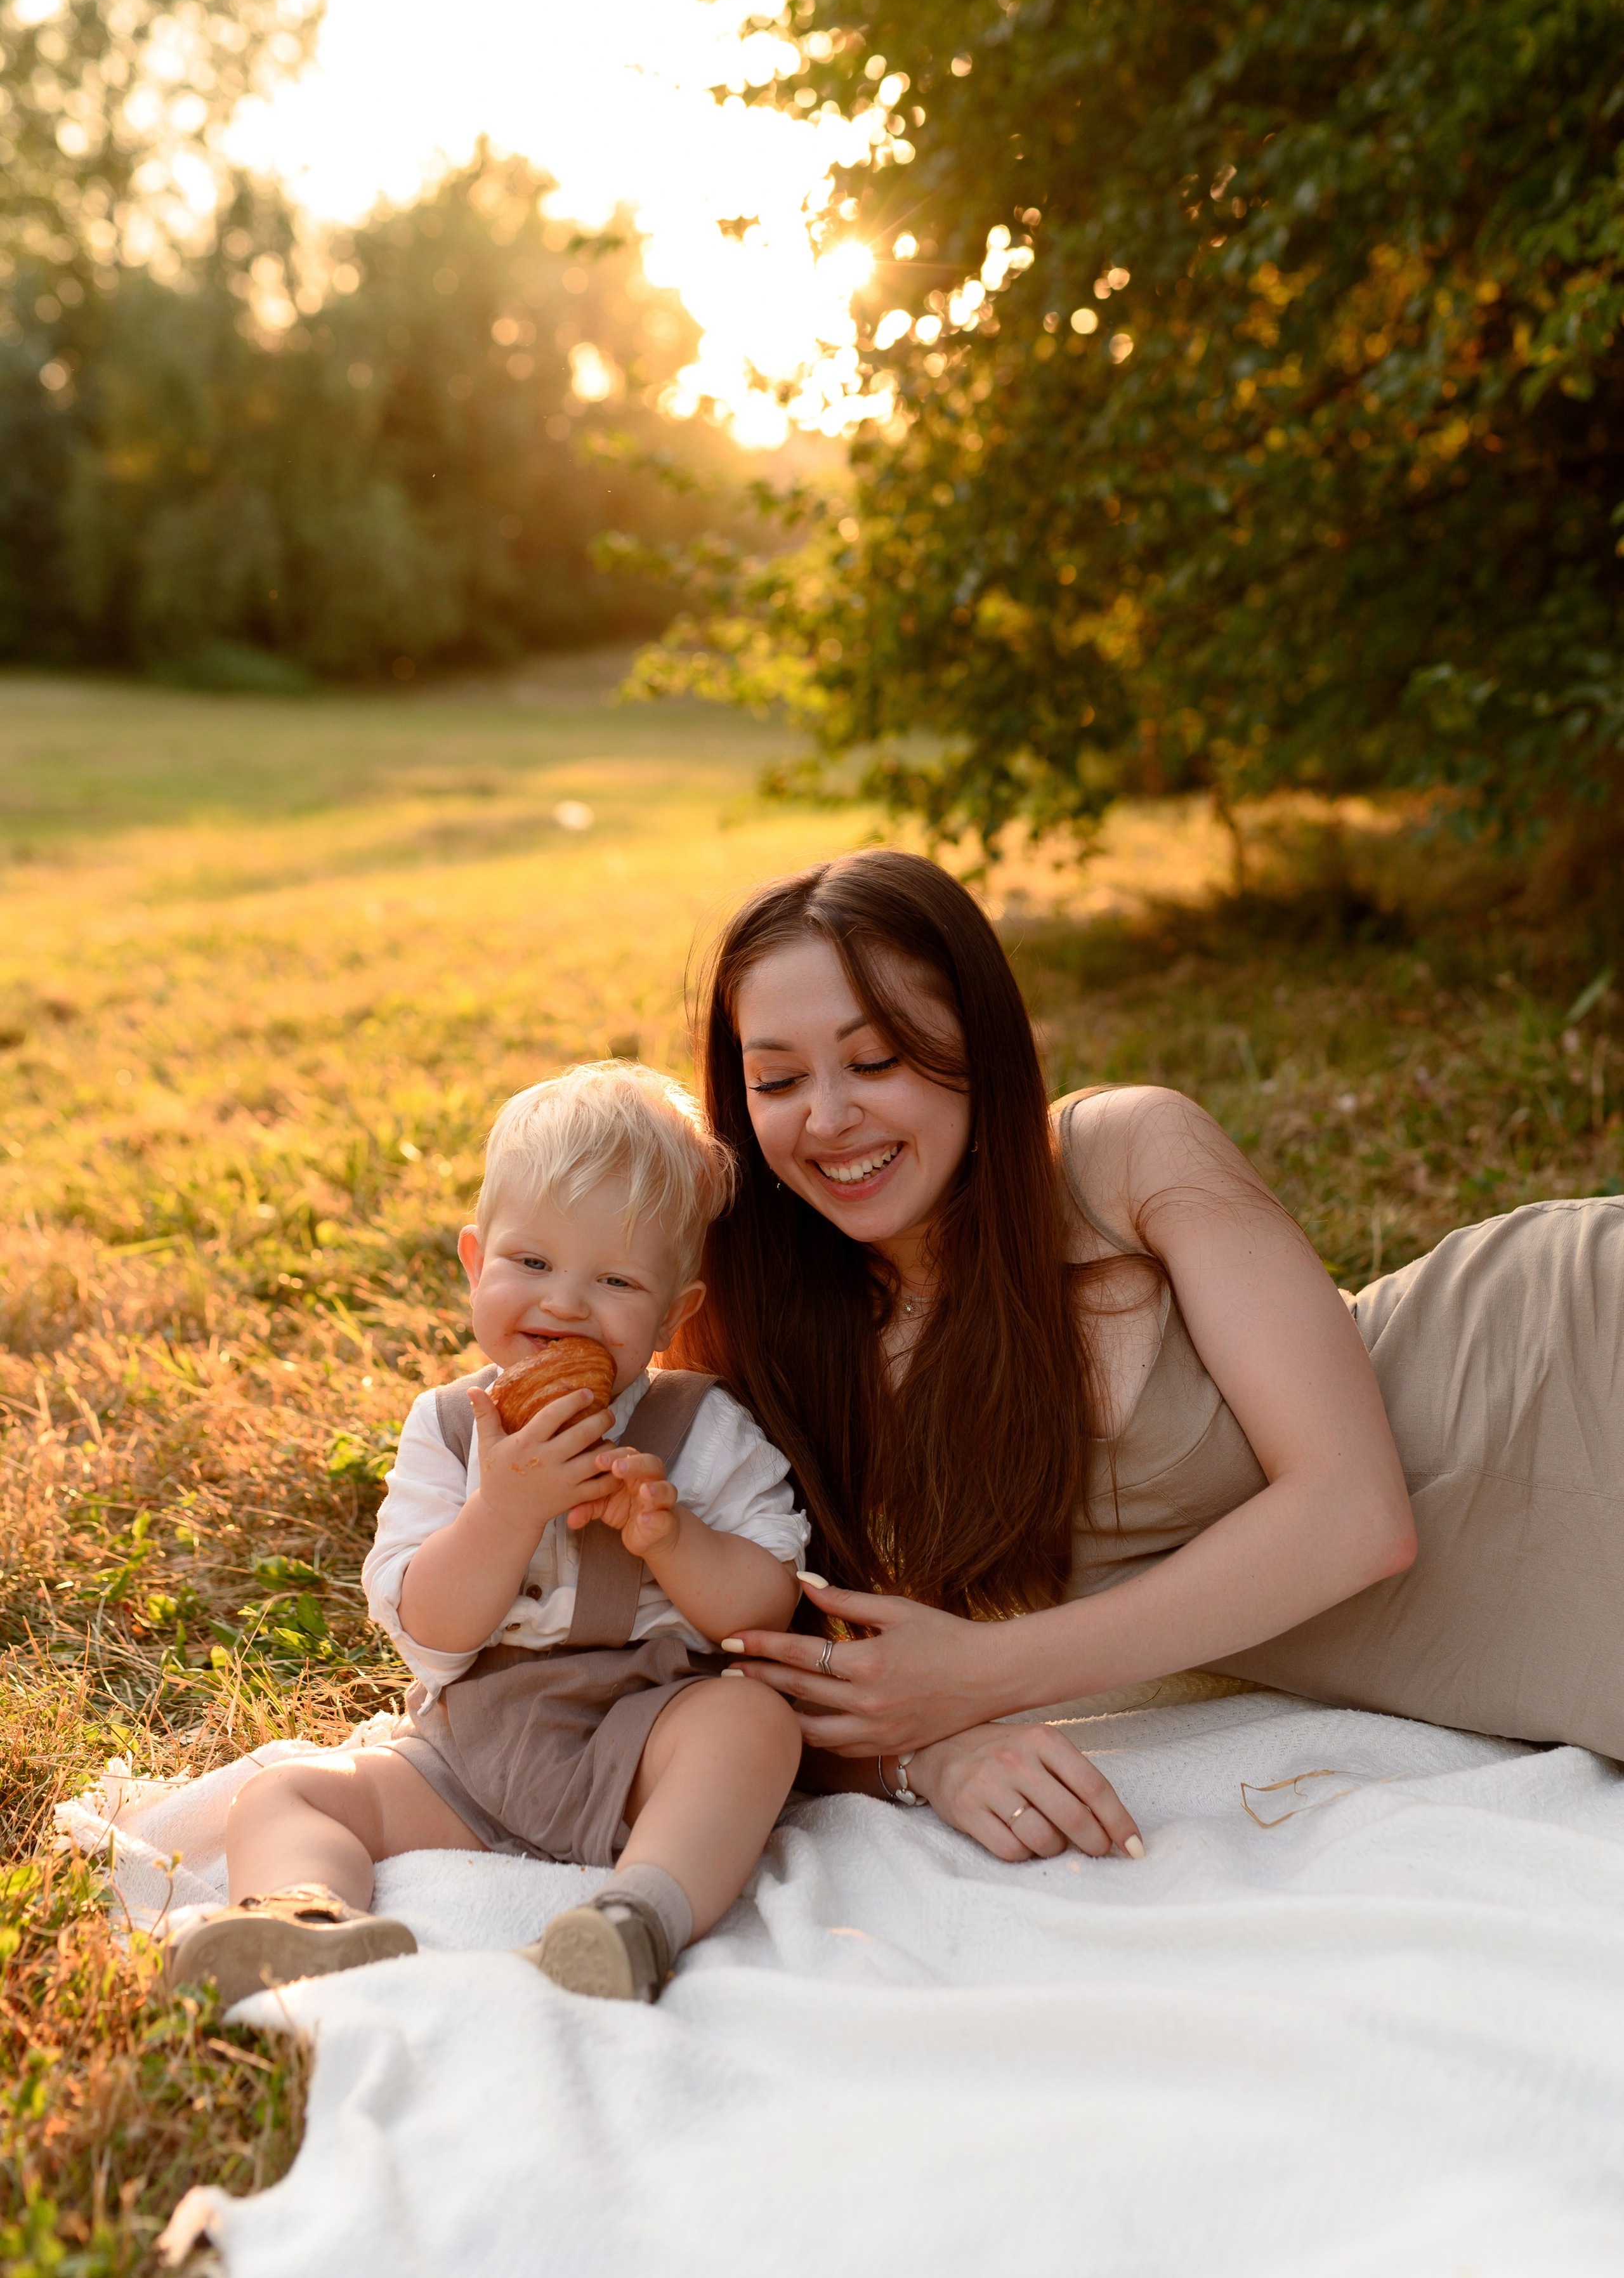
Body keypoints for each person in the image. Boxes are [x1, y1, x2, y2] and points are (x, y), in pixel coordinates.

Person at [667, 848, 1624, 1866]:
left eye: (876, 1061)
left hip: (1564, 1365)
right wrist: (929, 1755)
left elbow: (1356, 1514)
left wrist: (987, 1674)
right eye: (776, 1079)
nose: (827, 1117)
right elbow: (708, 1679)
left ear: (979, 1044)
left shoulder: (1122, 1155)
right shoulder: (765, 1337)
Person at [166, 1063, 808, 2006]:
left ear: (676, 1314)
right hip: (472, 1751)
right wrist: (500, 1511)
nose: (563, 1305)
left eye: (616, 1279)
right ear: (476, 1262)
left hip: (639, 1741)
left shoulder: (701, 1428)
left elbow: (764, 1605)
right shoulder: (451, 1428)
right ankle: (303, 1916)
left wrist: (674, 1540)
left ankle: (641, 1917)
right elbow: (429, 1627)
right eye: (531, 1264)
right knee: (285, 1794)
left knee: (753, 1725)